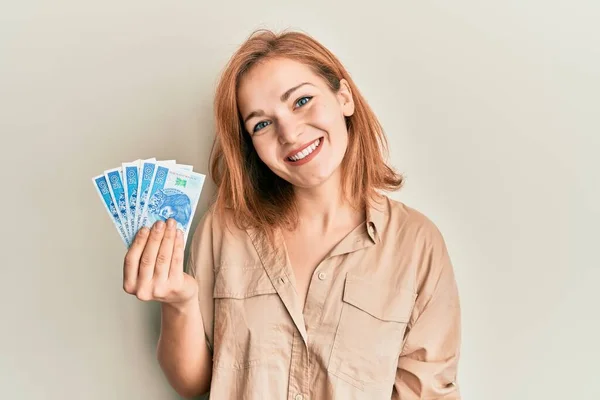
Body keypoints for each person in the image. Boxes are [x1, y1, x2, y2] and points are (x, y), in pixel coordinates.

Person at [122, 29, 462, 399]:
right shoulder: (222, 229)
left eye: (301, 101)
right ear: (251, 145)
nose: (290, 131)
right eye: (262, 124)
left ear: (343, 97)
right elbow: (193, 383)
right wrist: (180, 303)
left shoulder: (417, 244)